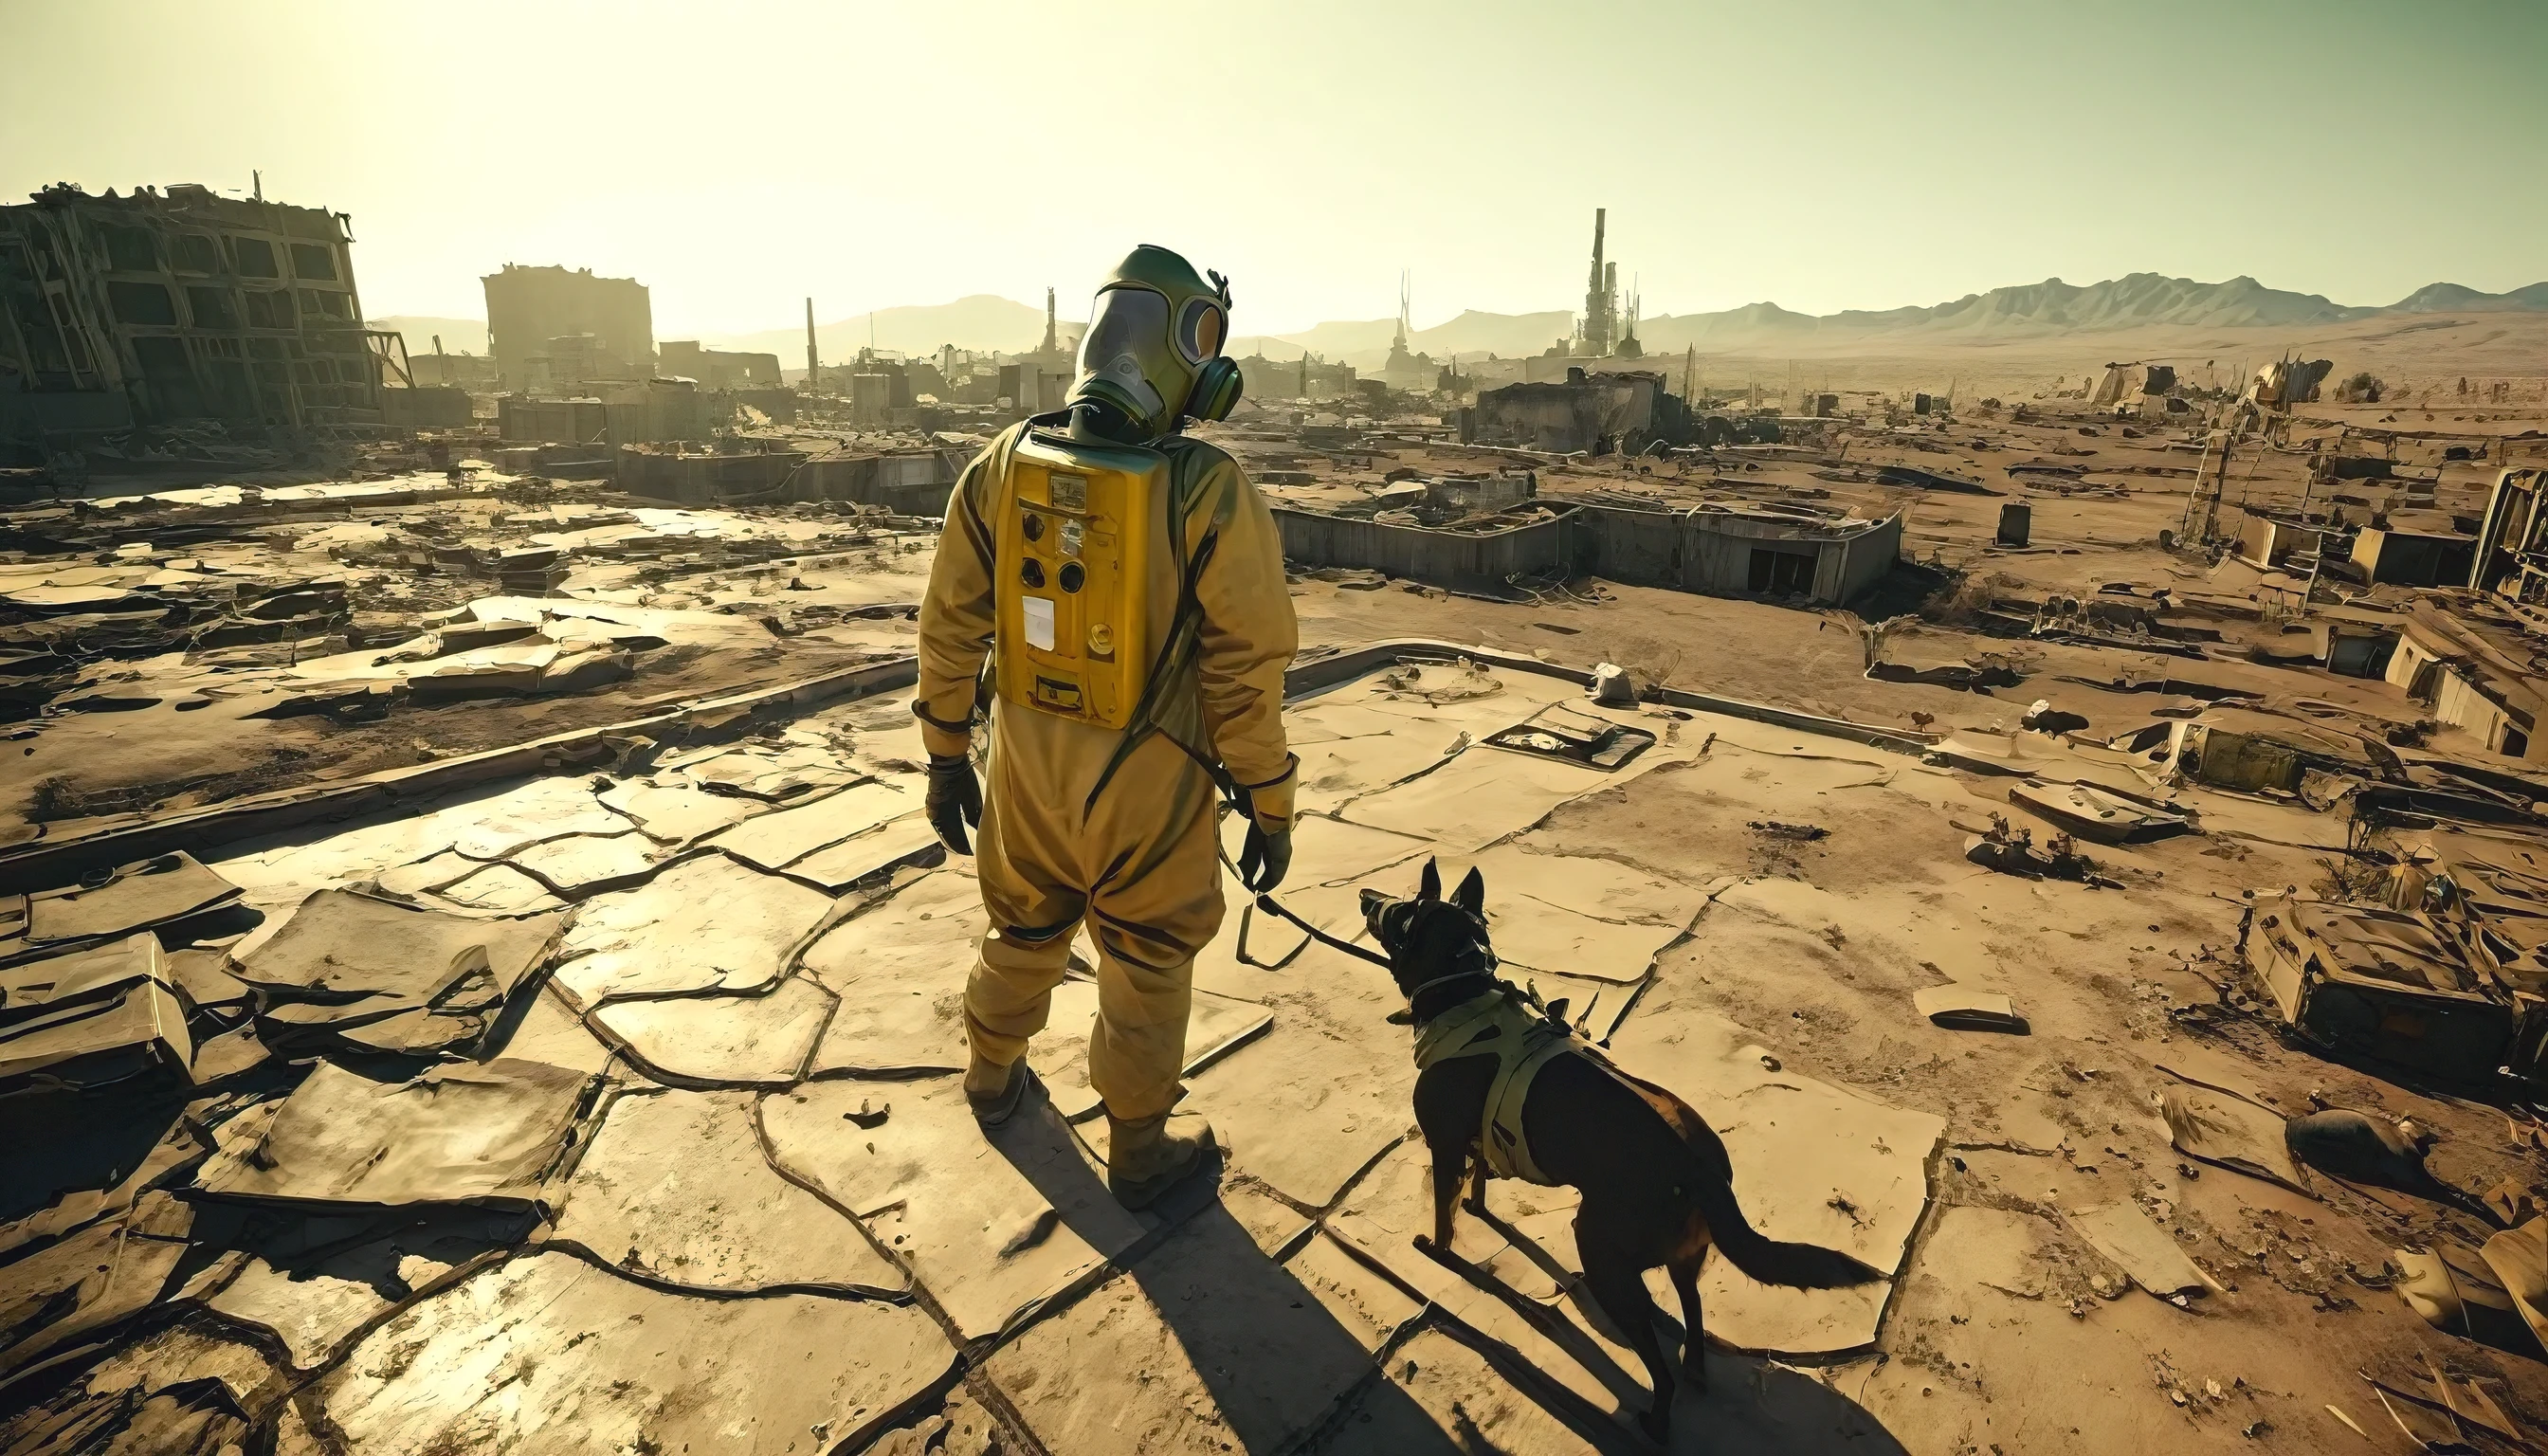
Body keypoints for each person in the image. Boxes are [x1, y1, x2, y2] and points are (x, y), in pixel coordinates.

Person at [913, 245, 1297, 1209]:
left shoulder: (1002, 465)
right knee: (1146, 961)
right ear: (1180, 349)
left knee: (1023, 927)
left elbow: (949, 626)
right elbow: (1246, 672)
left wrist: (945, 759)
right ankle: (1136, 1151)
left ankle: (992, 1077)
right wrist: (1270, 802)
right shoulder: (1206, 491)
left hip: (1026, 775)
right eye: (1204, 337)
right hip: (1149, 786)